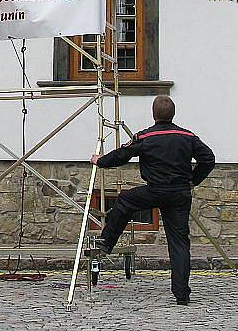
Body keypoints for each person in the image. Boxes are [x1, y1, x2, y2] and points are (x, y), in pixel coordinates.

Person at [91, 96, 215, 306]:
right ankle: (182, 294)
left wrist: (100, 161)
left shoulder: (146, 136)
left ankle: (107, 241)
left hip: (155, 190)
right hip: (179, 193)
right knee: (179, 243)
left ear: (154, 114)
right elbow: (208, 159)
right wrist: (194, 180)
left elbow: (123, 154)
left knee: (124, 201)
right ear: (173, 114)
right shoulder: (187, 136)